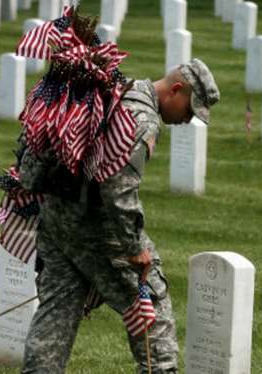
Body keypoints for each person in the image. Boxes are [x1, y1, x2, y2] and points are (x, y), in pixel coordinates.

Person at [19, 58, 220, 374]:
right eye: (189, 110)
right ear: (176, 90)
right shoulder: (143, 120)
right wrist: (134, 247)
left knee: (56, 311)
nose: (187, 119)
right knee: (154, 308)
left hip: (57, 219)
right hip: (97, 229)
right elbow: (118, 190)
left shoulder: (117, 91)